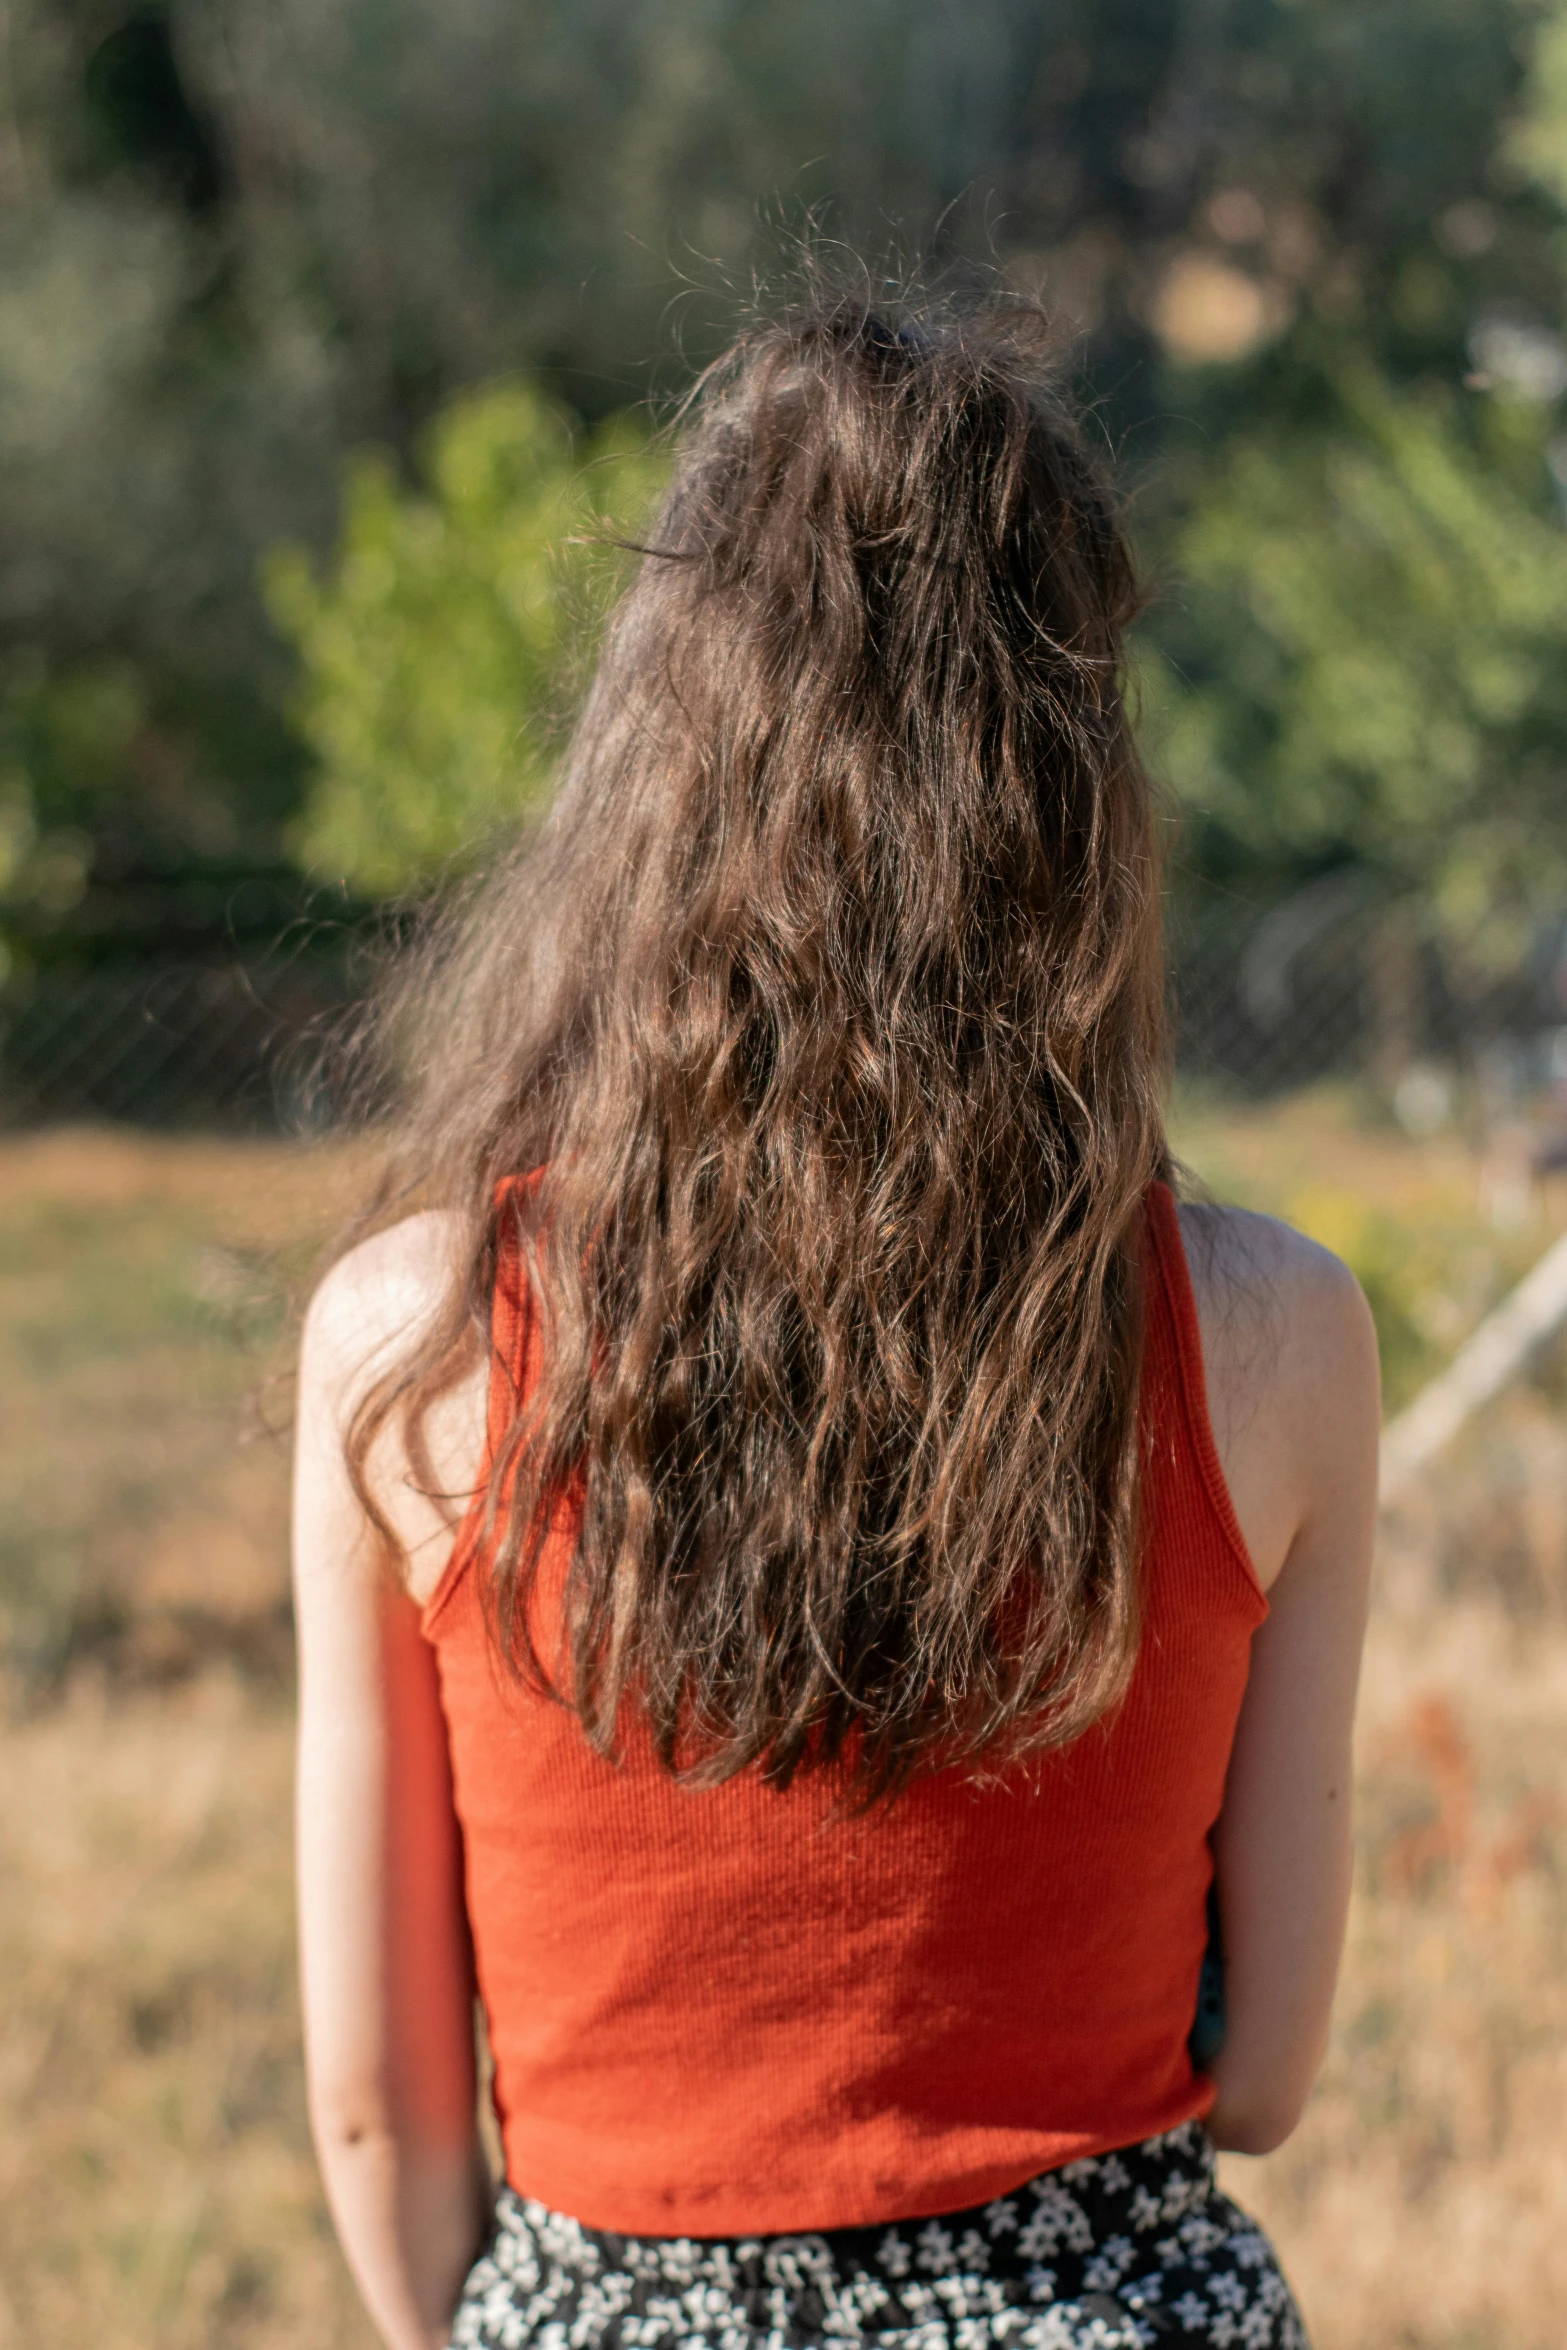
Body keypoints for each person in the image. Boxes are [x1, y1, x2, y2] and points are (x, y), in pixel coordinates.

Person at [292, 290, 1379, 2350]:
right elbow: (1268, 2071)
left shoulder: (406, 1347)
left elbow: (374, 2104)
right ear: (1076, 795)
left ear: (646, 776)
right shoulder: (1273, 1331)